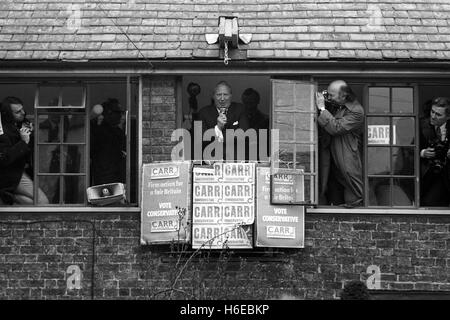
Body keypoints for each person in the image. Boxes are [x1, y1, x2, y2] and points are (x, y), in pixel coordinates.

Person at [316, 80, 364, 208]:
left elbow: (336, 128)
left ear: (344, 96)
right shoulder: (337, 106)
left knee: (352, 199)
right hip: (331, 162)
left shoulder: (357, 111)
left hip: (345, 161)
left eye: (332, 95)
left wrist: (322, 108)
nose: (329, 97)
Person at [0, 96, 49, 205]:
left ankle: (8, 197)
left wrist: (31, 134)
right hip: (9, 175)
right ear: (8, 114)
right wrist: (23, 141)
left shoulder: (21, 123)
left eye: (22, 109)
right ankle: (6, 195)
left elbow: (28, 150)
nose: (23, 113)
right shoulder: (2, 131)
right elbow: (4, 158)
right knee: (43, 202)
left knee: (33, 203)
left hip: (22, 171)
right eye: (18, 112)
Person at [196, 81, 249, 161]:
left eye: (225, 95)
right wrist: (218, 128)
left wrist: (217, 134)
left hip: (235, 160)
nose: (222, 98)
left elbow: (243, 134)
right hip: (212, 160)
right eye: (218, 95)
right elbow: (200, 139)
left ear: (231, 96)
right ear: (213, 96)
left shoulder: (240, 109)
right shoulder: (203, 112)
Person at [419, 97, 450, 206]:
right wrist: (423, 152)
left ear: (448, 117)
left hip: (447, 172)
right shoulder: (421, 125)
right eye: (432, 112)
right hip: (429, 175)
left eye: (438, 114)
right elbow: (408, 147)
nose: (433, 116)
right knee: (428, 202)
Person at [90, 98, 126, 185]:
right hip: (103, 176)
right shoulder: (97, 130)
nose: (121, 116)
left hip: (117, 175)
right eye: (118, 113)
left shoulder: (118, 132)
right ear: (109, 113)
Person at [241, 88, 269, 161]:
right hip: (239, 158)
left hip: (258, 159)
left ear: (257, 101)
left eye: (251, 102)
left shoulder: (265, 120)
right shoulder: (237, 119)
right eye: (246, 103)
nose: (249, 106)